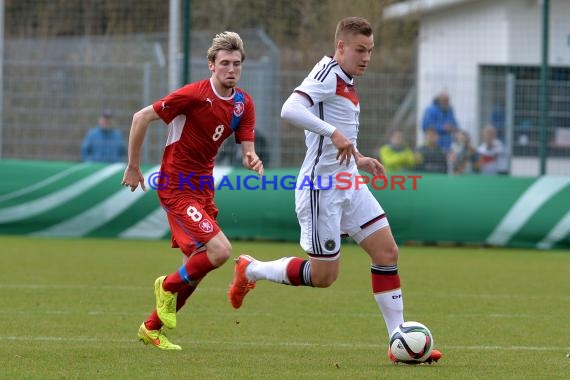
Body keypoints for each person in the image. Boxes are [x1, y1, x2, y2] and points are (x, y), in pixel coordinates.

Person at [228, 17, 441, 364]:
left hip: (348, 182)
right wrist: (332, 132)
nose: (366, 57)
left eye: (370, 50)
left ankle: (398, 341)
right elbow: (290, 109)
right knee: (324, 276)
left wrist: (358, 157)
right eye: (360, 49)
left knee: (387, 252)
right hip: (320, 189)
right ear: (340, 47)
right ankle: (251, 269)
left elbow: (338, 133)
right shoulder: (327, 73)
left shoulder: (348, 80)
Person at [121, 31, 264, 350]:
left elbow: (247, 149)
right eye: (224, 63)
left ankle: (151, 328)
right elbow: (140, 117)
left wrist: (251, 158)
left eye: (236, 64)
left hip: (202, 189)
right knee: (220, 251)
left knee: (197, 267)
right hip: (176, 186)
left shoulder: (242, 103)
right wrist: (133, 166)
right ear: (211, 65)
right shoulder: (193, 95)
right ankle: (166, 286)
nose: (231, 69)